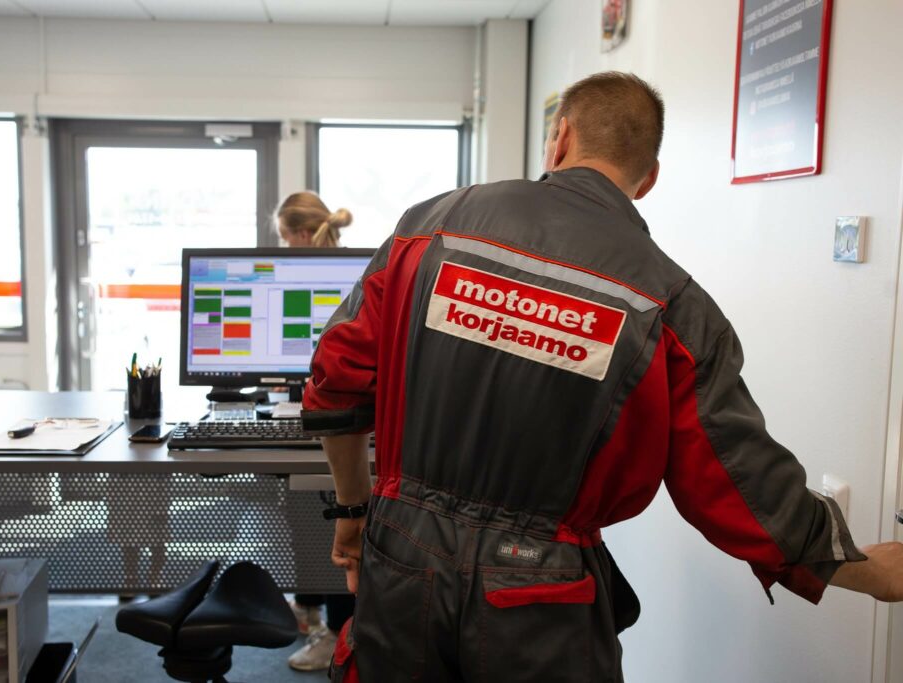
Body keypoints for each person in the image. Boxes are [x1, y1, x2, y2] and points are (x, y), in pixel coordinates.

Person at [301, 72, 903, 682]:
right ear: (649, 178)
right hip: (538, 599)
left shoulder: (430, 225)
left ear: (559, 139)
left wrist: (353, 508)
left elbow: (337, 378)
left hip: (401, 561)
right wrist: (865, 569)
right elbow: (737, 481)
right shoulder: (672, 304)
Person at [272, 191, 359, 672]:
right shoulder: (357, 271)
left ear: (302, 234)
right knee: (305, 513)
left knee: (327, 520)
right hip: (334, 412)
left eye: (285, 238)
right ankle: (310, 606)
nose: (285, 248)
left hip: (336, 419)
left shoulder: (338, 276)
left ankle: (337, 630)